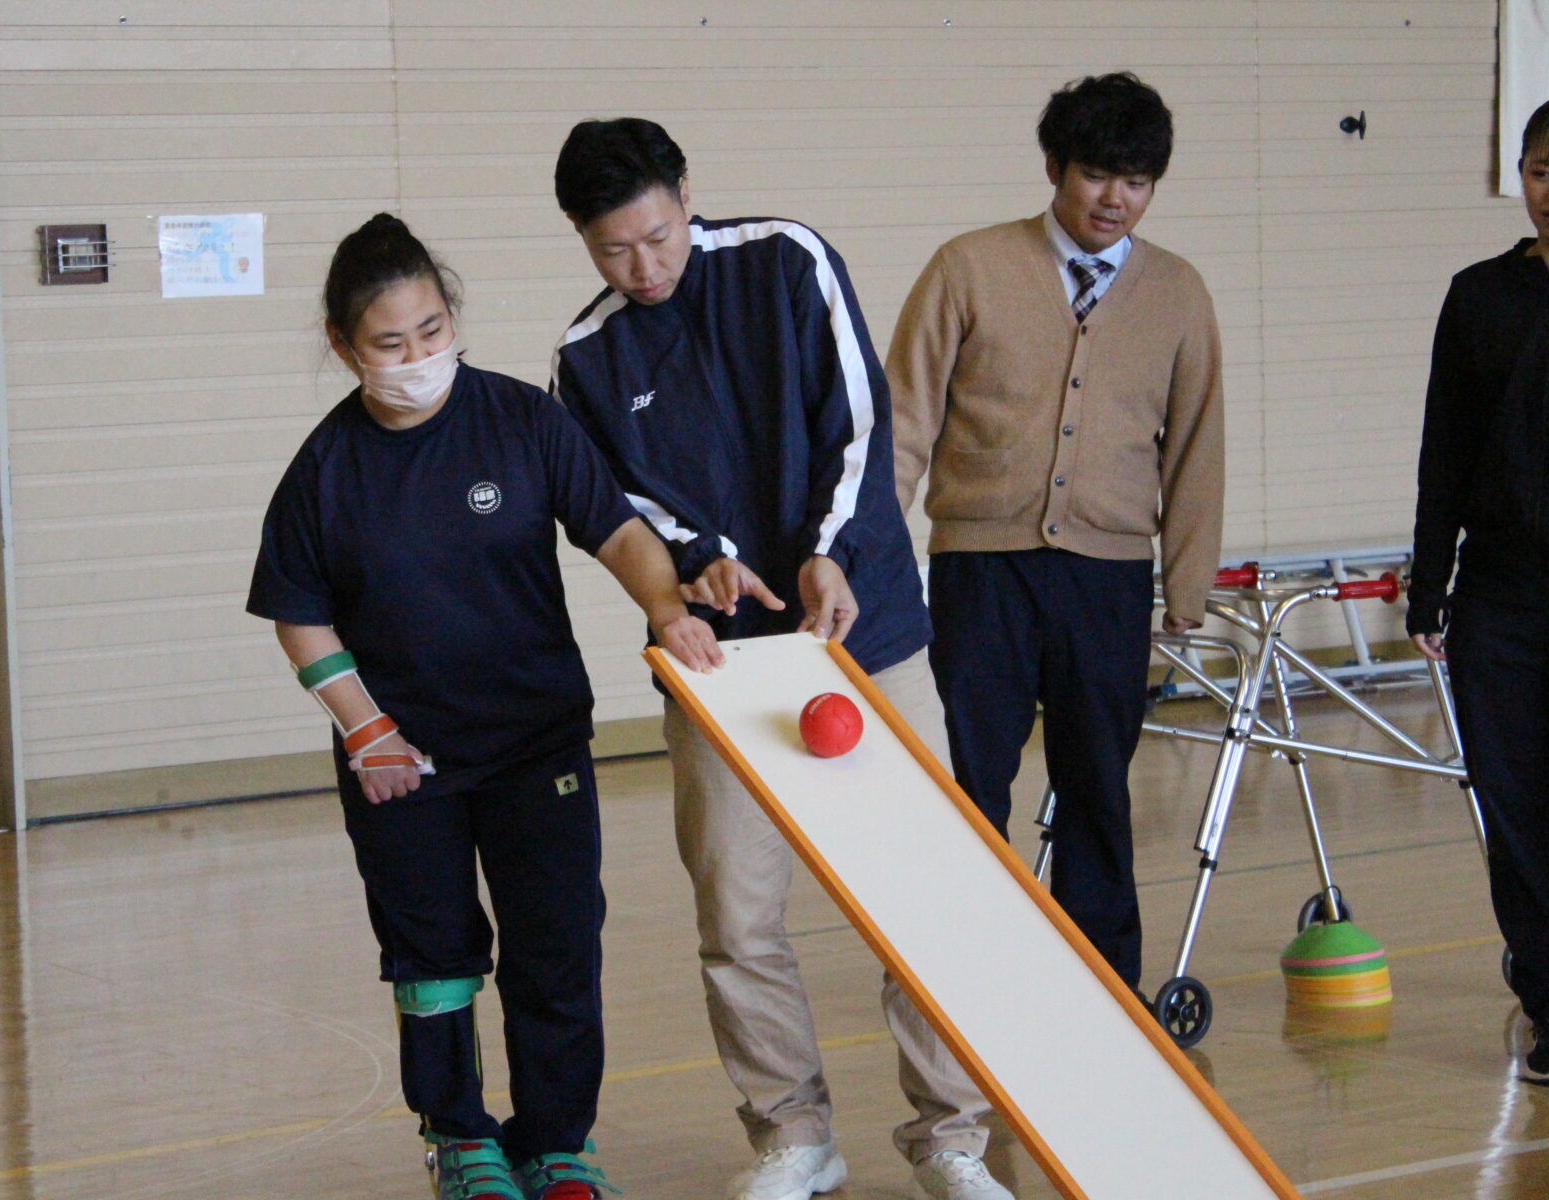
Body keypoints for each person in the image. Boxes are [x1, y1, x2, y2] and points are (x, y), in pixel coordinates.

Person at [550, 118, 1012, 1200]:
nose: (644, 267)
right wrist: (699, 565)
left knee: (924, 889)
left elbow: (861, 424)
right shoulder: (585, 358)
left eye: (658, 237)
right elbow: (621, 508)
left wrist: (828, 557)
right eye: (614, 251)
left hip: (862, 629)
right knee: (737, 914)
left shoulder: (786, 260)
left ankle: (952, 1136)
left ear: (685, 197)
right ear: (583, 241)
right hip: (723, 665)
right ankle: (792, 1134)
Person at [247, 213, 722, 1200]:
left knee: (555, 948)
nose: (418, 357)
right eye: (390, 343)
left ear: (452, 318)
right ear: (344, 347)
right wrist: (366, 730)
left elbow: (617, 531)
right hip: (404, 762)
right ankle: (459, 1137)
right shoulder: (324, 472)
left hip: (534, 742)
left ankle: (557, 1142)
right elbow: (300, 617)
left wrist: (667, 604)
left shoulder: (521, 421)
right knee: (435, 961)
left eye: (431, 330)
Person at [886, 73, 1225, 995]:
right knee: (969, 783)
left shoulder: (1180, 294)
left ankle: (1104, 992)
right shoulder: (969, 266)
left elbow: (1197, 446)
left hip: (1107, 579)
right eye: (1095, 175)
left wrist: (1185, 588)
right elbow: (903, 421)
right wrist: (871, 562)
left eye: (1138, 181)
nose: (1114, 198)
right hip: (980, 568)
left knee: (1097, 792)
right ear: (1053, 168)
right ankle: (967, 978)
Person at [1407, 98, 1549, 1085]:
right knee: (1516, 810)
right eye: (1541, 171)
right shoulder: (1480, 296)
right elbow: (1444, 452)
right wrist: (1428, 587)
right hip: (1502, 600)